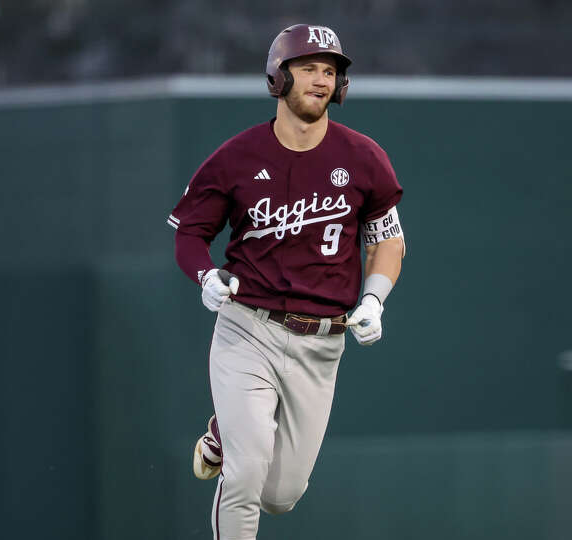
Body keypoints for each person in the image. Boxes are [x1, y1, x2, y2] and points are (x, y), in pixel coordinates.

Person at [166, 24, 405, 539]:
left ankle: (221, 433)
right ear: (279, 75)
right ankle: (236, 442)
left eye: (330, 70)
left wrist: (375, 298)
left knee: (279, 496)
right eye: (308, 67)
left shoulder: (364, 157)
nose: (320, 79)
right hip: (248, 326)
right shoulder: (236, 157)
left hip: (322, 344)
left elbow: (388, 241)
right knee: (247, 476)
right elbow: (190, 232)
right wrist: (205, 275)